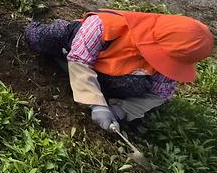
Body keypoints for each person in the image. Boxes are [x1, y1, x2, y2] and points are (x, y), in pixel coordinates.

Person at [25, 10, 214, 131]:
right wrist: (96, 104)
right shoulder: (103, 25)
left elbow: (159, 94)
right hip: (74, 46)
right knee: (46, 38)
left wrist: (121, 110)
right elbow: (80, 61)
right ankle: (35, 32)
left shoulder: (167, 67)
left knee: (136, 86)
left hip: (110, 76)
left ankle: (96, 88)